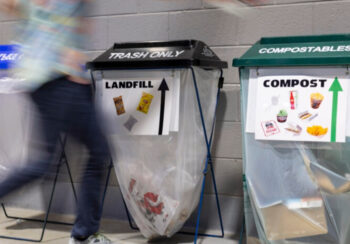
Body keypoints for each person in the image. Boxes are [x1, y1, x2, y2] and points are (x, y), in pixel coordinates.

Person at [0, 0, 112, 243]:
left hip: (39, 78)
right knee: (96, 151)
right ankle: (84, 235)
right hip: (61, 76)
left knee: (46, 160)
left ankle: (84, 233)